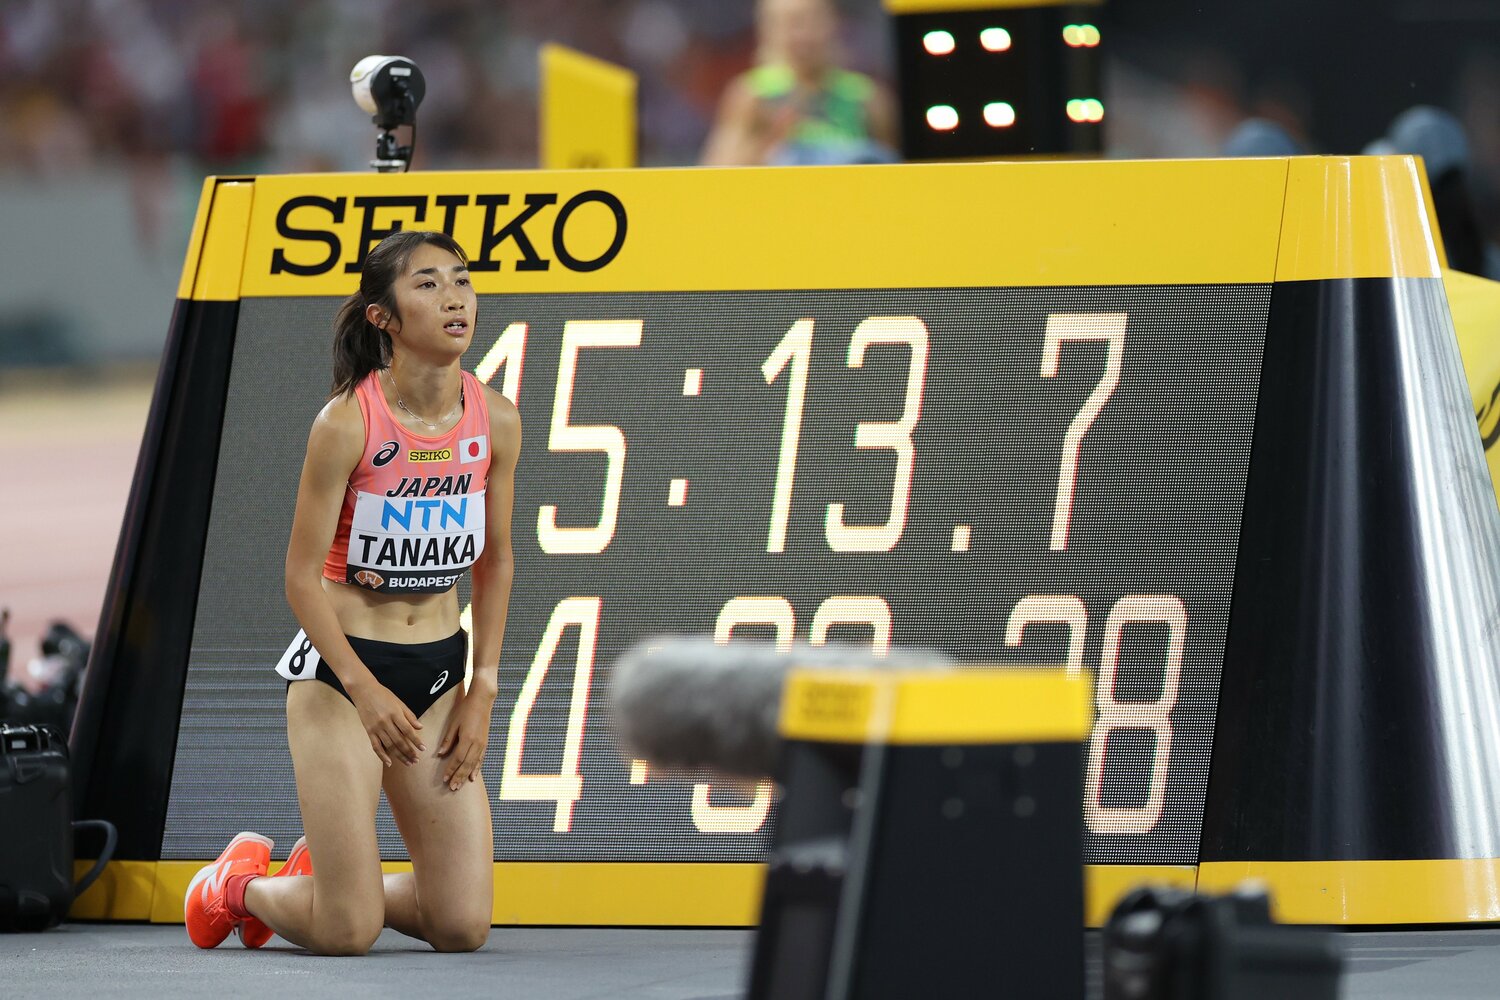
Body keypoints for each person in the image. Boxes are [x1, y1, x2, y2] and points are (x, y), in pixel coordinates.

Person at [183, 229, 521, 955]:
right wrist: (365, 691)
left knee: (461, 924)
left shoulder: (494, 419)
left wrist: (483, 686)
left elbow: (494, 561)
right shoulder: (345, 423)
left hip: (435, 675)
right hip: (343, 679)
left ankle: (334, 879)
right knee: (347, 931)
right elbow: (300, 577)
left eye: (461, 280)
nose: (454, 297)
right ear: (384, 318)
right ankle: (235, 884)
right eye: (427, 284)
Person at [701, 0, 898, 166]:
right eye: (790, 23)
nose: (802, 35)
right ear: (768, 30)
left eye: (812, 21)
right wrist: (767, 140)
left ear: (834, 22)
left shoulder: (866, 98)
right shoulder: (753, 96)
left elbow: (895, 176)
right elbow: (716, 176)